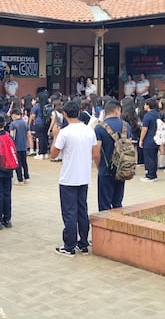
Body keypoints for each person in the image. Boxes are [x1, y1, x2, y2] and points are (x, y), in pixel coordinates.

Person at [51, 101, 96, 257]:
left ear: (64, 114)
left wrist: (55, 135)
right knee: (82, 210)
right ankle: (83, 243)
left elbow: (53, 154)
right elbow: (95, 153)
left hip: (68, 177)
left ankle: (69, 246)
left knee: (69, 212)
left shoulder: (65, 132)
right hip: (84, 176)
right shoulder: (89, 131)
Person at [93, 100, 130, 211]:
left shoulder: (99, 128)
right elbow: (131, 149)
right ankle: (118, 224)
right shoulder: (126, 126)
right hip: (122, 169)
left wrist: (100, 167)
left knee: (104, 204)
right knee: (117, 202)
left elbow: (95, 153)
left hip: (106, 170)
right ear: (117, 111)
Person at [138, 98, 161, 182]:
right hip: (156, 138)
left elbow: (144, 129)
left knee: (148, 158)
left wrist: (141, 140)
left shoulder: (147, 116)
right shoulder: (157, 114)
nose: (144, 106)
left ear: (148, 105)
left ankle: (150, 175)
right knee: (154, 157)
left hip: (148, 139)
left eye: (145, 104)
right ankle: (153, 174)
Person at [9, 108, 30, 185]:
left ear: (13, 115)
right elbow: (28, 134)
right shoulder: (24, 123)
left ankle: (20, 179)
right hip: (24, 146)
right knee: (24, 162)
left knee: (18, 163)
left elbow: (12, 136)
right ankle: (27, 177)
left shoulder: (13, 124)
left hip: (16, 146)